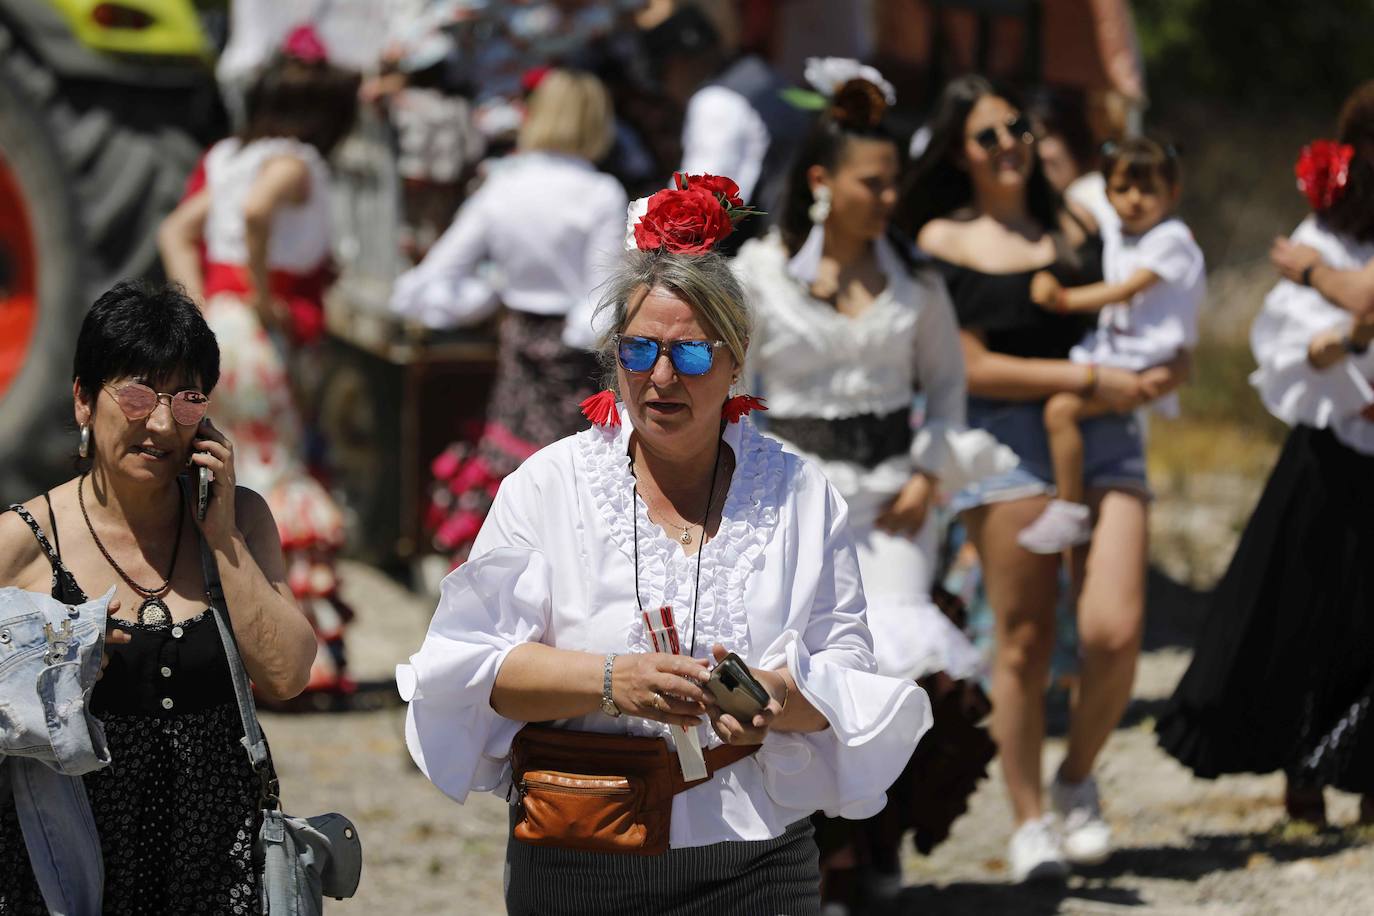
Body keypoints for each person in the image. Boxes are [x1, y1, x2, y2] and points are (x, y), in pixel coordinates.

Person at [397, 175, 931, 915]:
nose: (657, 378)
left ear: (737, 359)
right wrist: (613, 680)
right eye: (638, 349)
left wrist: (773, 698)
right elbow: (473, 666)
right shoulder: (548, 487)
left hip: (756, 855)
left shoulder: (799, 496)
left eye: (689, 355)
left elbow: (846, 675)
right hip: (580, 850)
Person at [732, 60, 1007, 906]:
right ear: (822, 181)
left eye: (894, 183)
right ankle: (817, 855)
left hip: (893, 505)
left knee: (893, 656)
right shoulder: (758, 278)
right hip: (788, 504)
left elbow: (951, 389)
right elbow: (735, 399)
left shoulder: (917, 284)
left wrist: (931, 472)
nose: (890, 197)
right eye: (873, 183)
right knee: (797, 671)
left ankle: (878, 840)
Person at [897, 75, 1173, 882]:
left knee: (1113, 631)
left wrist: (1163, 363)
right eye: (987, 135)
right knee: (1021, 640)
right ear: (958, 152)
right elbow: (974, 365)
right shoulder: (944, 240)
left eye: (1015, 126)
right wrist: (1082, 381)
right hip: (1007, 439)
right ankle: (1029, 823)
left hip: (1106, 431)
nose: (1008, 143)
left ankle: (1077, 775)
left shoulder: (1077, 220)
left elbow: (1145, 302)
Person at [0, 281, 317, 913]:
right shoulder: (26, 541)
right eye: (139, 395)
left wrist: (221, 536)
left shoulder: (240, 520)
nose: (164, 423)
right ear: (85, 401)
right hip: (68, 865)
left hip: (215, 865)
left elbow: (286, 674)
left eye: (188, 399)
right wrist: (55, 664)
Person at [1158, 83, 1374, 827]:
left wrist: (1323, 281)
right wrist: (1347, 323)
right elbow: (1296, 348)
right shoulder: (1325, 237)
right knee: (1310, 622)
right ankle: (1306, 772)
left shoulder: (1317, 258)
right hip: (1335, 456)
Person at [158, 30, 360, 697]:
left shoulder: (226, 156)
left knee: (233, 471)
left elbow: (175, 232)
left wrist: (205, 308)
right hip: (264, 334)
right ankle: (298, 652)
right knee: (278, 473)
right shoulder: (294, 162)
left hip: (225, 329)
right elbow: (257, 211)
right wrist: (265, 299)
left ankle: (221, 634)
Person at [390, 69, 627, 568]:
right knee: (576, 485)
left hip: (519, 338)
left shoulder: (504, 185)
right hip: (578, 359)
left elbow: (426, 283)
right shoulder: (601, 191)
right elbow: (602, 299)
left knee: (513, 470)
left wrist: (480, 297)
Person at [1016, 138, 1204, 553]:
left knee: (1060, 411)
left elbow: (1126, 291)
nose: (1135, 200)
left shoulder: (1170, 237)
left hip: (1143, 357)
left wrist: (1062, 300)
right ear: (1107, 193)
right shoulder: (1121, 235)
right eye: (1123, 189)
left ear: (1172, 193)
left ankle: (1068, 507)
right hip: (1121, 352)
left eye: (1147, 189)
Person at [642, 5, 811, 247]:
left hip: (764, 259)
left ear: (676, 65)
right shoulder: (763, 75)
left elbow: (695, 210)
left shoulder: (716, 102)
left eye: (661, 78)